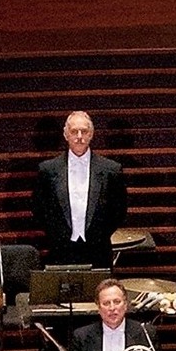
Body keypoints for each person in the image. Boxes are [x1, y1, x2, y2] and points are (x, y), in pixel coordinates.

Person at [31, 109, 128, 267]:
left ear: (91, 134)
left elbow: (119, 210)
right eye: (74, 131)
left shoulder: (111, 169)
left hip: (99, 250)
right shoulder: (47, 170)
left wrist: (99, 234)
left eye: (84, 131)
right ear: (66, 134)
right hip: (60, 249)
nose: (79, 137)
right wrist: (57, 234)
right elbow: (39, 209)